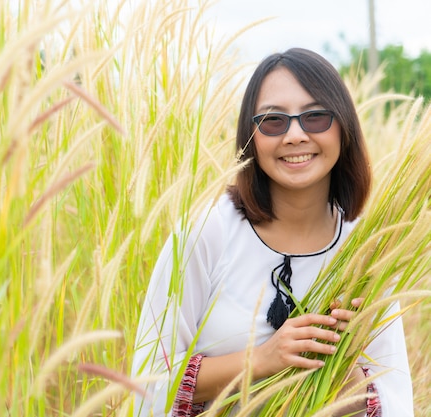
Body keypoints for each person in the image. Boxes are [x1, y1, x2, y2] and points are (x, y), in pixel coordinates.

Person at [131, 48, 413, 416]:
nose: (295, 135)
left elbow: (393, 393)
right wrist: (262, 360)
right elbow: (148, 380)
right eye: (273, 121)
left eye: (315, 117)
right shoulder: (207, 234)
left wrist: (347, 371)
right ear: (251, 136)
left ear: (344, 127)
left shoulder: (365, 248)